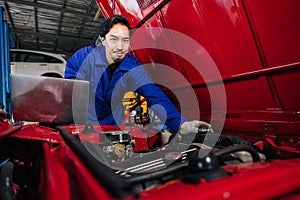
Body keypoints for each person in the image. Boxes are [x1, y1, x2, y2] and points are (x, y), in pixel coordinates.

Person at [64, 15, 212, 143]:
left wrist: (182, 125)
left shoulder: (132, 67)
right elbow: (68, 95)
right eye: (114, 39)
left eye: (125, 40)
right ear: (103, 40)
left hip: (111, 125)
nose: (120, 46)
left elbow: (154, 95)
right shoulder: (82, 58)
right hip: (82, 124)